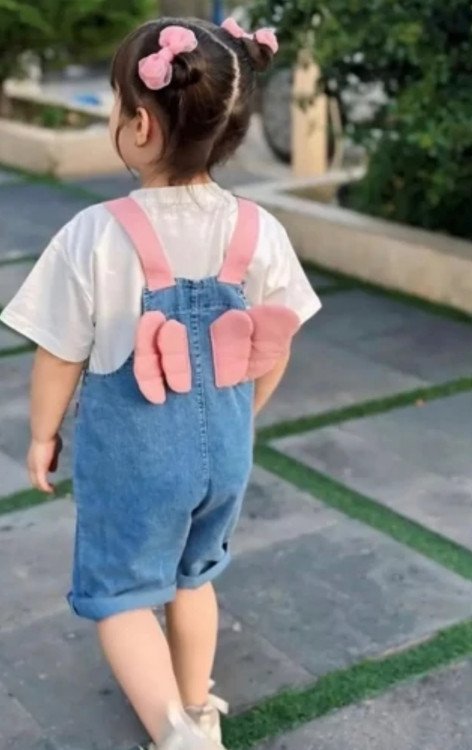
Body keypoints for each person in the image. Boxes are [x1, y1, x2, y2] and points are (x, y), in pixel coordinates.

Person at [0, 16, 321, 750]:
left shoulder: (95, 233)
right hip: (226, 455)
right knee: (193, 577)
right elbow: (273, 344)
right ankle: (197, 706)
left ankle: (176, 736)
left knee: (119, 595)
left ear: (140, 125)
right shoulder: (258, 230)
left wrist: (44, 435)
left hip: (135, 459)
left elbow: (58, 355)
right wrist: (241, 415)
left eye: (118, 106)